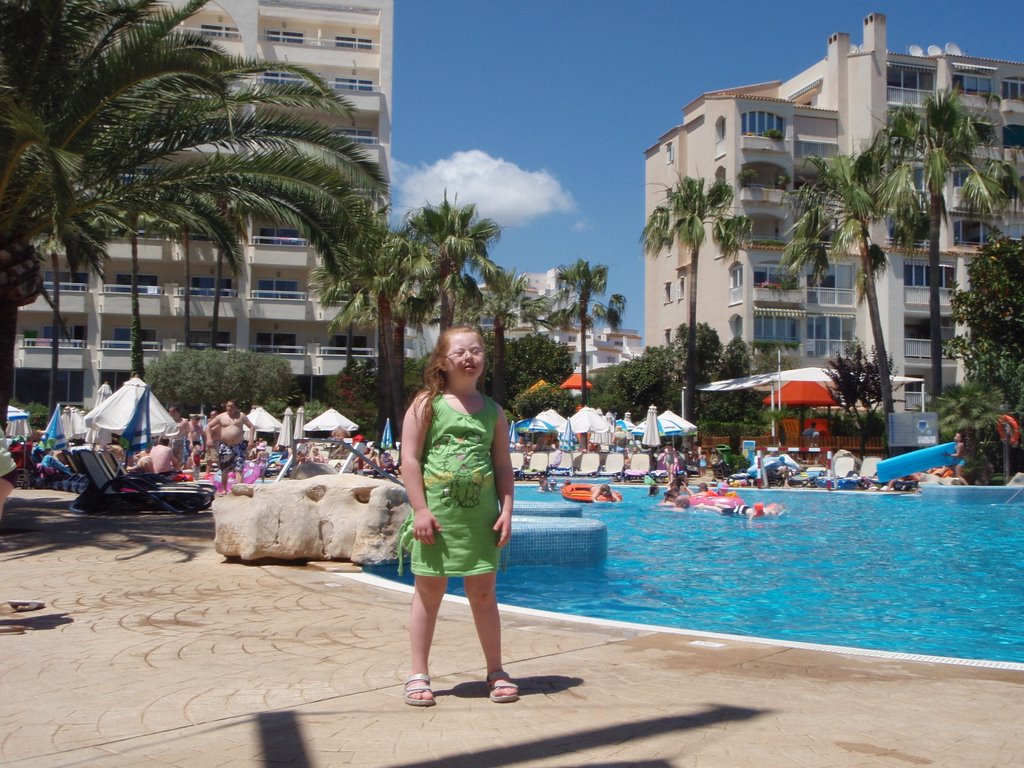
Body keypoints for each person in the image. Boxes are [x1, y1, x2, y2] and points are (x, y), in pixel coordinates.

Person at [398, 326, 516, 707]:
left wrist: (508, 510)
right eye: (460, 352)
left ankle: (496, 670)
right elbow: (410, 460)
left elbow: (502, 465)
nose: (469, 357)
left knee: (483, 593)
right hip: (436, 520)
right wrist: (419, 509)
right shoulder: (426, 405)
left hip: (480, 521)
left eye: (477, 351)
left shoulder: (494, 412)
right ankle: (418, 672)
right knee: (429, 592)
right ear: (442, 362)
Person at [206, 401, 254, 494]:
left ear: (236, 407)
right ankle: (224, 489)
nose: (230, 408)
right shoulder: (221, 417)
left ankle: (239, 490)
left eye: (232, 407)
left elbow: (251, 426)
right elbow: (208, 426)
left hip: (239, 445)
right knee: (224, 469)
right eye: (228, 406)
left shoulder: (241, 416)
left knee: (239, 468)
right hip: (225, 446)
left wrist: (251, 440)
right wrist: (209, 439)